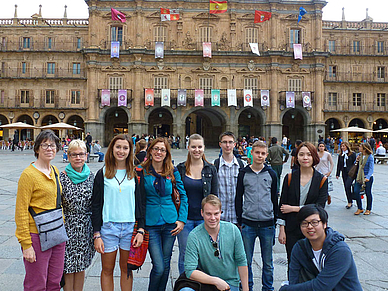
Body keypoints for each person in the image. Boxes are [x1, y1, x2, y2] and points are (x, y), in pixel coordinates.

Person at [91, 134, 146, 291]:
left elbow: (141, 203)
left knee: (126, 269)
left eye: (125, 148)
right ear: (112, 149)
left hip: (130, 227)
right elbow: (95, 205)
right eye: (118, 147)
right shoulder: (102, 173)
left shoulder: (136, 173)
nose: (121, 151)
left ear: (130, 150)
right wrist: (97, 234)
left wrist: (141, 229)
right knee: (107, 270)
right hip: (108, 228)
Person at [15, 130, 65, 290]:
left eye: (52, 145)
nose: (49, 148)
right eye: (45, 145)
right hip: (36, 235)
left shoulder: (55, 171)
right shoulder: (28, 175)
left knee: (54, 282)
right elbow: (21, 210)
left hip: (57, 233)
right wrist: (26, 244)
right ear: (37, 148)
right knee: (36, 284)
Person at [139, 137, 188, 291]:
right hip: (150, 223)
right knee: (159, 265)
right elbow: (138, 199)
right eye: (156, 149)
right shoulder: (141, 171)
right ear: (150, 151)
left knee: (166, 263)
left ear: (167, 153)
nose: (159, 152)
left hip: (170, 223)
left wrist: (181, 220)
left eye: (162, 150)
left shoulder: (172, 171)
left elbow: (183, 195)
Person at [279, 204, 362, 291]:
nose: (309, 227)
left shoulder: (340, 250)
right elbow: (294, 280)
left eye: (314, 222)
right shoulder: (300, 248)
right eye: (304, 223)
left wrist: (286, 289)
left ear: (324, 224)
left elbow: (321, 286)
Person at [181, 195, 249, 291]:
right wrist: (215, 281)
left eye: (216, 214)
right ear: (202, 213)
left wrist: (246, 289)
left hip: (230, 283)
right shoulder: (194, 236)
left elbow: (241, 261)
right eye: (208, 214)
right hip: (206, 283)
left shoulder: (233, 230)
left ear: (220, 213)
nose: (212, 218)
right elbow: (190, 271)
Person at [278, 142, 328, 270]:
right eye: (301, 154)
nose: (305, 158)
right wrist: (281, 230)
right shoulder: (289, 178)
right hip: (292, 228)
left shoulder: (321, 180)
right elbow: (282, 205)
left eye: (309, 155)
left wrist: (294, 208)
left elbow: (319, 207)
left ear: (314, 157)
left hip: (313, 229)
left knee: (312, 265)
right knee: (292, 263)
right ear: (296, 157)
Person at [235, 141, 278, 291]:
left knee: (267, 261)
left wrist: (275, 219)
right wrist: (240, 219)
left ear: (266, 155)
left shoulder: (271, 173)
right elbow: (238, 197)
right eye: (257, 152)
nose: (260, 156)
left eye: (263, 153)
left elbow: (274, 198)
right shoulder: (243, 173)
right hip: (248, 223)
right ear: (251, 153)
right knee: (246, 260)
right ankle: (248, 286)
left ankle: (268, 288)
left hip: (267, 223)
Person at [176, 134, 218, 275]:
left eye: (199, 147)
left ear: (204, 148)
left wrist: (214, 219)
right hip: (184, 219)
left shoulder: (210, 169)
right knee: (185, 254)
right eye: (193, 147)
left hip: (204, 219)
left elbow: (214, 196)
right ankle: (185, 283)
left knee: (205, 254)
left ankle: (203, 284)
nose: (196, 150)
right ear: (188, 148)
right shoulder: (180, 169)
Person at [60, 139, 95, 291]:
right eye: (74, 155)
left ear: (86, 156)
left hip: (86, 226)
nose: (78, 158)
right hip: (67, 226)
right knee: (68, 266)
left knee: (81, 265)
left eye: (81, 154)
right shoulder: (61, 177)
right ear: (68, 156)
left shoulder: (91, 176)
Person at [213, 131, 246, 224]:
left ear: (234, 144)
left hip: (238, 216)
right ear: (220, 144)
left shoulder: (242, 165)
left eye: (230, 142)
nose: (227, 145)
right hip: (220, 217)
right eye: (225, 142)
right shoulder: (214, 165)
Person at [353, 142, 374, 216]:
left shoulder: (370, 157)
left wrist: (367, 177)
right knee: (356, 191)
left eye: (360, 147)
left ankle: (368, 209)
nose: (359, 148)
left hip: (367, 177)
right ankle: (360, 208)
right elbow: (356, 165)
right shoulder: (359, 155)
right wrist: (357, 160)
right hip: (359, 177)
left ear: (364, 149)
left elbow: (371, 169)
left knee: (368, 193)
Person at [336, 141, 357, 209]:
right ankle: (349, 201)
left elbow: (355, 164)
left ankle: (353, 196)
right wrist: (337, 173)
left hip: (351, 172)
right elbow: (339, 165)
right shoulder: (341, 155)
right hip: (344, 172)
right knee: (346, 187)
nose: (342, 148)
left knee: (348, 185)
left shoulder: (352, 154)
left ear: (347, 146)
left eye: (344, 146)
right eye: (341, 146)